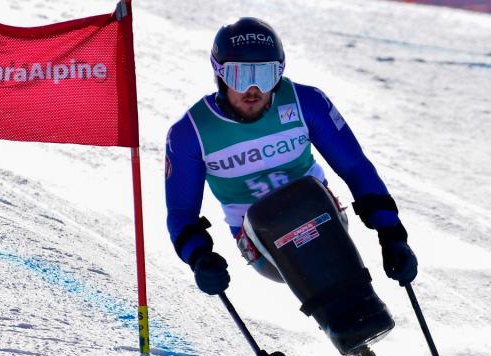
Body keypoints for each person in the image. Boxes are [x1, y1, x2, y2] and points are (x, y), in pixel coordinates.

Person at [164, 18, 417, 332]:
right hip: (260, 242)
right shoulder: (190, 133)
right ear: (220, 75)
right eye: (241, 76)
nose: (253, 89)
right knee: (275, 215)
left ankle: (359, 316)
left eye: (266, 75)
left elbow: (355, 168)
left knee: (305, 199)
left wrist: (392, 236)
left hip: (323, 218)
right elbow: (180, 212)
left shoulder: (305, 102)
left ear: (279, 73)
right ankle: (342, 320)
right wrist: (200, 258)